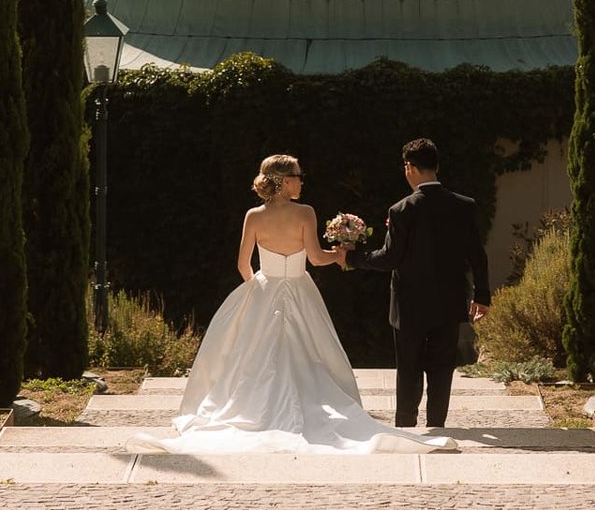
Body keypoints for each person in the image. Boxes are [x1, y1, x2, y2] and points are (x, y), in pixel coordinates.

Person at [128, 154, 455, 454]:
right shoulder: (305, 213)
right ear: (284, 181)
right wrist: (342, 254)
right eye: (298, 177)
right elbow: (315, 257)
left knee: (251, 357)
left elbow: (242, 264)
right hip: (300, 289)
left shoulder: (253, 216)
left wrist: (256, 291)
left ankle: (255, 409)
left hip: (263, 288)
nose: (302, 182)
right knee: (313, 352)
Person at [347, 138, 491, 431]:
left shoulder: (402, 210)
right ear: (436, 165)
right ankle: (437, 426)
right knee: (442, 369)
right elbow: (477, 255)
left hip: (409, 304)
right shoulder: (463, 206)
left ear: (409, 167)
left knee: (409, 369)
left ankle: (406, 428)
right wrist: (482, 296)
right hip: (449, 301)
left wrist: (352, 258)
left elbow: (390, 258)